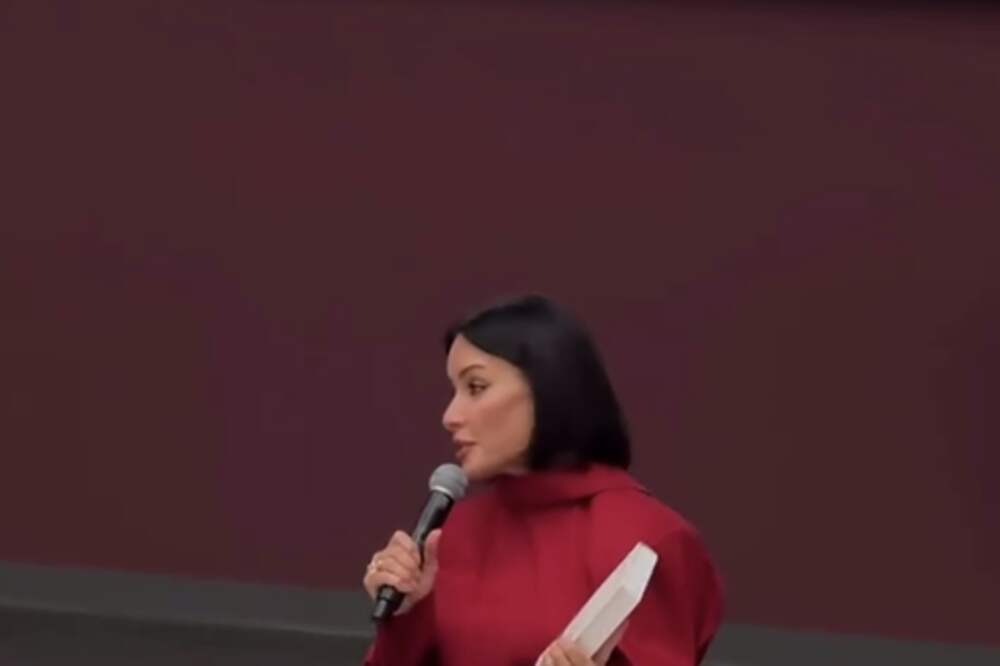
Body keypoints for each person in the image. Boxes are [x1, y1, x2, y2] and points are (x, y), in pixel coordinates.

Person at [362, 295, 724, 666]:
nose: (450, 416)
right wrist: (408, 614)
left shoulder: (648, 536)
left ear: (548, 386)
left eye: (476, 387)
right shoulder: (452, 534)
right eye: (453, 390)